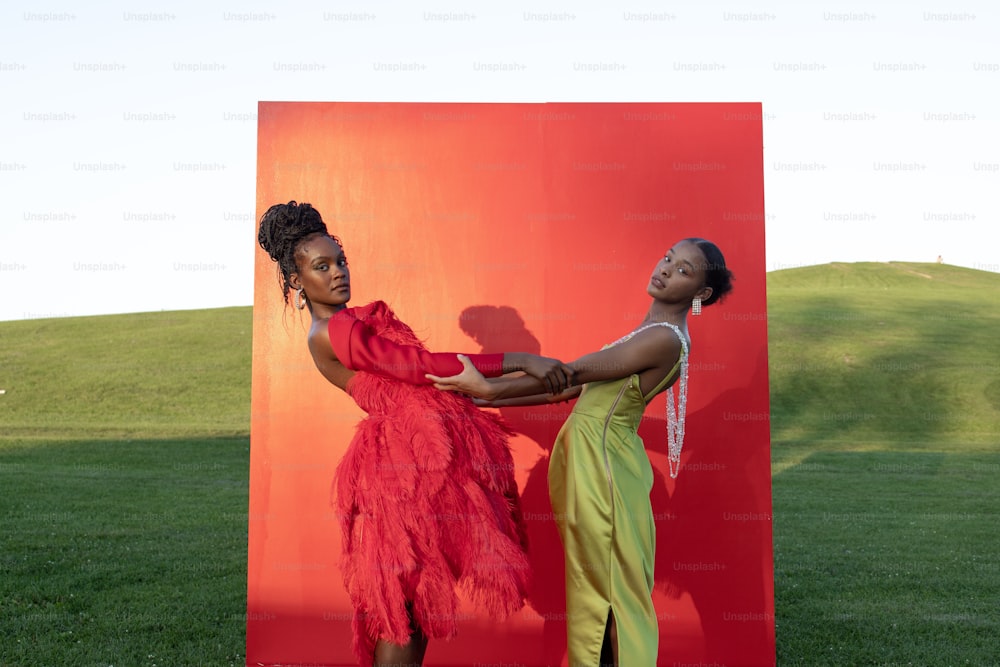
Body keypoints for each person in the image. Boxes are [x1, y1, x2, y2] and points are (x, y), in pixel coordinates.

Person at [257, 201, 573, 667]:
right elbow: (417, 367)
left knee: (416, 602)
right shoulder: (331, 330)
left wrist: (520, 375)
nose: (338, 273)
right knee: (404, 606)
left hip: (419, 460)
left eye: (340, 261)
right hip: (402, 472)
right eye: (321, 267)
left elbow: (434, 367)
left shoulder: (345, 323)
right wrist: (519, 359)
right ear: (295, 282)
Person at [428, 239, 733, 667]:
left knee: (609, 593)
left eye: (684, 270)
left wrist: (489, 386)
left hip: (605, 471)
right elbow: (569, 388)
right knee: (595, 584)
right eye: (667, 257)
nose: (665, 269)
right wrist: (483, 396)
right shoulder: (647, 333)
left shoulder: (666, 338)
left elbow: (576, 371)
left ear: (701, 293)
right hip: (591, 462)